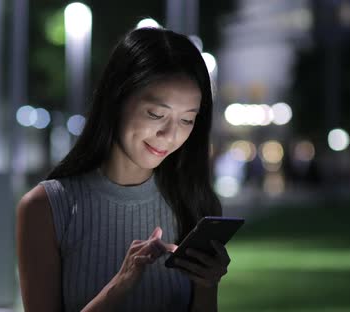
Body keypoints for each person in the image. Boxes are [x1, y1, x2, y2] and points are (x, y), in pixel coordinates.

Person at [17, 27, 231, 312]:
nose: (169, 135)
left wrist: (207, 284)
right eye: (156, 114)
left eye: (187, 120)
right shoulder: (47, 208)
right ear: (117, 99)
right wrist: (121, 284)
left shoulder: (194, 202)